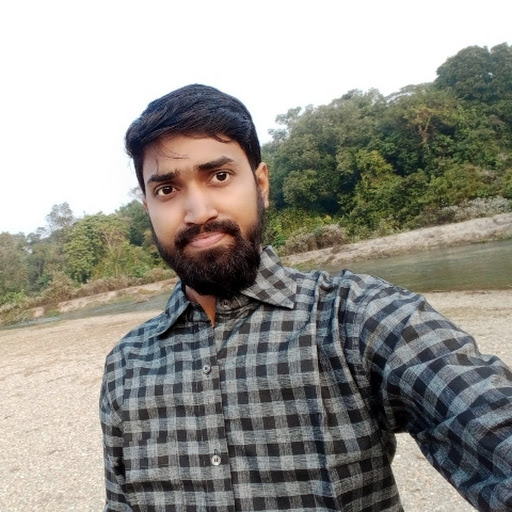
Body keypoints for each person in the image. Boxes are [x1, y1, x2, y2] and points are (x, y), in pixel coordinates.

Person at [100, 84, 512, 512]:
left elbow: (487, 418)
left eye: (219, 176)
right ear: (148, 207)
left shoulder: (357, 318)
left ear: (261, 184)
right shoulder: (126, 366)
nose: (199, 212)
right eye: (167, 190)